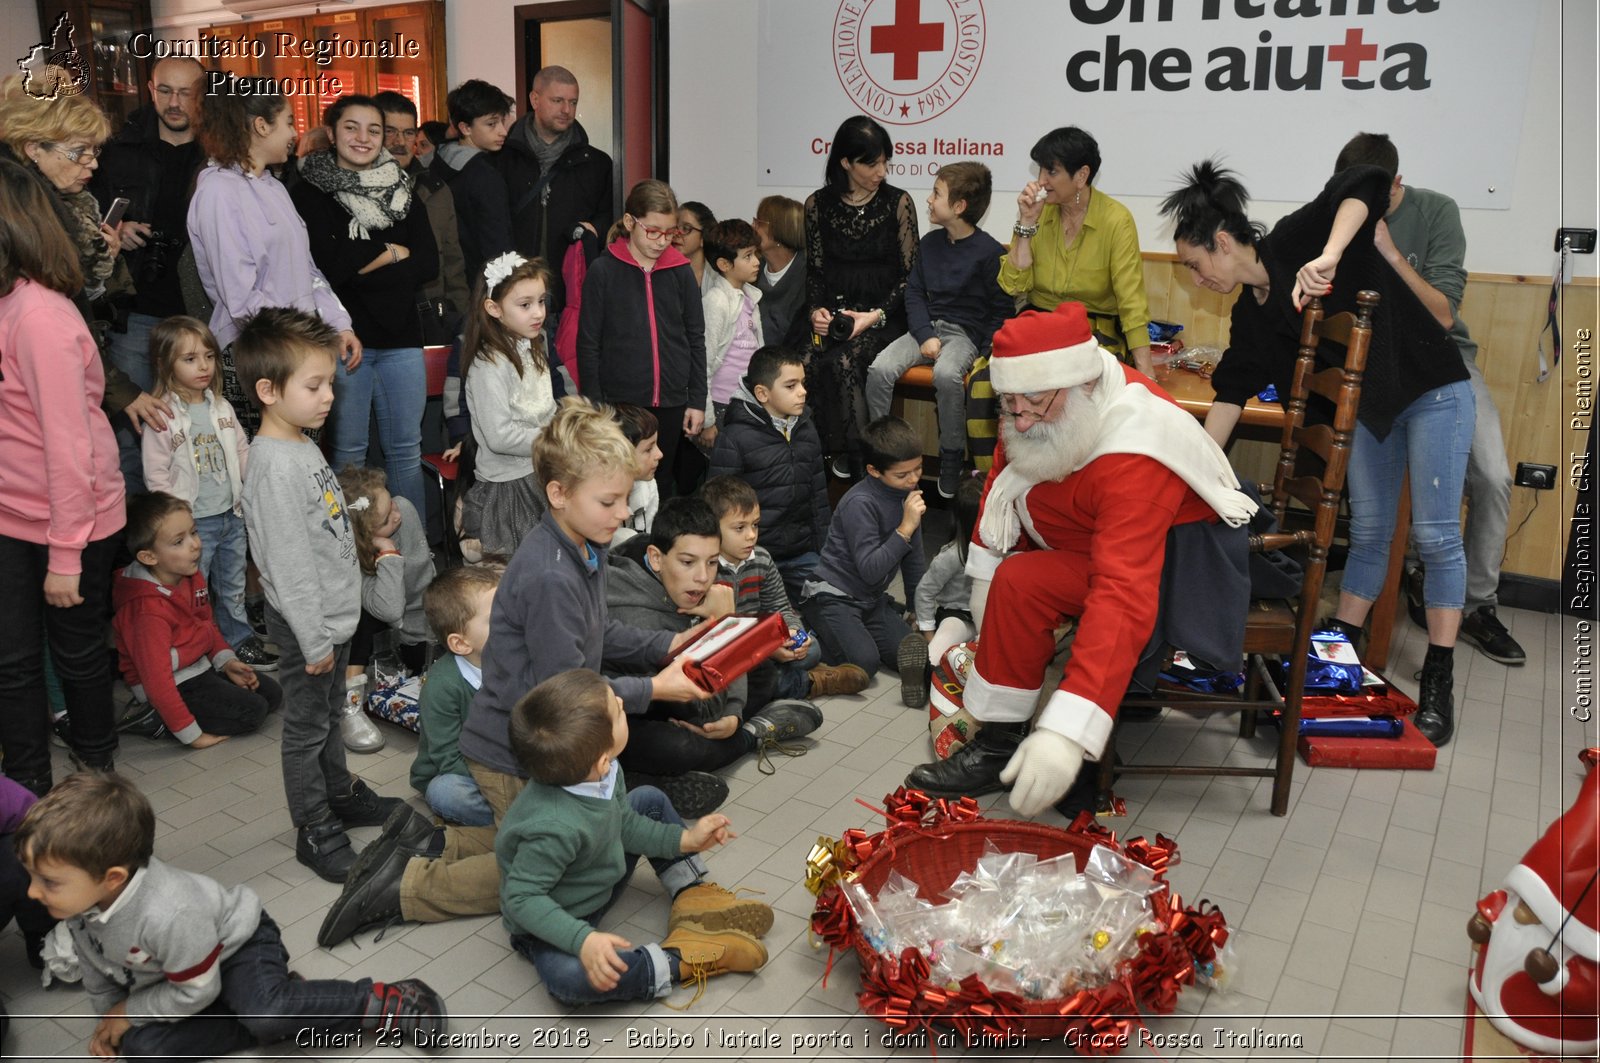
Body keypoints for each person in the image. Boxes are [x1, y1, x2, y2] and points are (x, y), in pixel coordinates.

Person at [316, 400, 720, 949]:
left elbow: (599, 632)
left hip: (527, 734)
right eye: (609, 500)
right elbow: (566, 695)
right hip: (518, 747)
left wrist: (666, 643)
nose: (623, 513)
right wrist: (655, 687)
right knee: (534, 870)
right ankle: (404, 887)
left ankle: (431, 844)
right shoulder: (552, 576)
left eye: (626, 498)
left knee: (527, 836)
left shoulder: (584, 548)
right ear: (558, 493)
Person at [1161, 161, 1472, 745]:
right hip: (1368, 414)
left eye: (1195, 265)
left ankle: (1439, 672)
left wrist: (1330, 255)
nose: (1195, 279)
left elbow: (1369, 177)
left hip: (1432, 388)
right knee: (1372, 531)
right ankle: (1342, 652)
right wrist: (1188, 467)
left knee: (1435, 537)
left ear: (1223, 243)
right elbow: (1231, 390)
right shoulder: (1251, 313)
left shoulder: (1297, 241)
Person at [904, 302, 1258, 815]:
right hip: (1086, 539)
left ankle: (1083, 753)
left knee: (1032, 587)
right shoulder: (1043, 398)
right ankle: (999, 743)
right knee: (1013, 581)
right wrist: (983, 570)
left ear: (1081, 387)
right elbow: (1003, 478)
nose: (1019, 419)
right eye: (1010, 405)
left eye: (1033, 406)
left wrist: (1067, 734)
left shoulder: (1135, 450)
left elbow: (1123, 592)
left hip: (1176, 561)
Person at [15, 772, 446, 1060]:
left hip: (236, 949)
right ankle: (283, 1008)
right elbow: (98, 971)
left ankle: (388, 1000)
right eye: (32, 877)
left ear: (111, 878)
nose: (33, 893)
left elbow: (196, 991)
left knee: (265, 1012)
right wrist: (112, 1016)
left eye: (48, 882)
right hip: (178, 974)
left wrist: (130, 1007)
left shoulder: (170, 910)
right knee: (142, 1047)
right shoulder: (78, 905)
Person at [1334, 132, 1525, 667]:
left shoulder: (1437, 211)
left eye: (1374, 193)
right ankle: (1383, 603)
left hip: (1444, 365)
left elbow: (1444, 314)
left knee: (1492, 477)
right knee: (1374, 521)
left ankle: (1478, 607)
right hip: (1378, 369)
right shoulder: (1340, 213)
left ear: (1395, 183)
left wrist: (1389, 251)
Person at [234, 308, 401, 881]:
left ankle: (338, 793)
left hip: (329, 620)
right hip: (308, 625)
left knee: (329, 713)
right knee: (306, 730)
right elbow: (286, 566)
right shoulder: (274, 467)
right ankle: (313, 825)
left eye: (330, 381)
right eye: (314, 385)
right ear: (268, 391)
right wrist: (312, 638)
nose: (329, 395)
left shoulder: (300, 445)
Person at [498, 669, 772, 1006]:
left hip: (598, 873)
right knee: (571, 980)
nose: (623, 701)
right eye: (617, 710)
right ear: (600, 760)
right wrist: (583, 940)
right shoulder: (552, 828)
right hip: (555, 918)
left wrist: (684, 841)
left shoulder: (605, 771)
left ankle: (694, 897)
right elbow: (522, 899)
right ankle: (684, 959)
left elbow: (624, 825)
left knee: (649, 800)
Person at [0, 160, 126, 795]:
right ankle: (28, 798)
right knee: (13, 665)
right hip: (12, 514)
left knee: (77, 657)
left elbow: (68, 447)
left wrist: (66, 554)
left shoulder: (40, 318)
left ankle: (99, 787)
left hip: (69, 520)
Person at [0, 74, 169, 460]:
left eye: (95, 150)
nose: (93, 163)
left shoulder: (65, 206)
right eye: (80, 151)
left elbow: (75, 303)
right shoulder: (21, 221)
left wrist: (100, 263)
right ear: (33, 149)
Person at [291, 94, 437, 524]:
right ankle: (349, 552)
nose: (364, 138)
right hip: (342, 340)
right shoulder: (309, 192)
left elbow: (427, 262)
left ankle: (414, 554)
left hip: (402, 339)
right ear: (332, 133)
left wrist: (363, 259)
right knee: (350, 455)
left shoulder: (403, 190)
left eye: (374, 130)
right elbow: (327, 267)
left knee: (405, 452)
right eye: (351, 127)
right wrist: (394, 253)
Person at [187, 86, 362, 437]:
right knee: (268, 474)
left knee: (304, 468)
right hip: (258, 355)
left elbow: (307, 272)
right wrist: (301, 338)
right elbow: (241, 299)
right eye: (288, 121)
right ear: (261, 126)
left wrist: (338, 322)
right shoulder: (218, 192)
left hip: (300, 351)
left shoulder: (274, 187)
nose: (295, 133)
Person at [607, 496, 823, 776]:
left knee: (763, 670)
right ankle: (751, 736)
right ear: (656, 558)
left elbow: (717, 686)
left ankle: (747, 720)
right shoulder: (635, 613)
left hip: (685, 689)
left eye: (711, 562)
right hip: (635, 706)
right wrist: (723, 622)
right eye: (688, 562)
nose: (703, 577)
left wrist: (733, 710)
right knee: (678, 748)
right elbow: (703, 708)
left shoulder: (677, 575)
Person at [91, 55, 207, 495]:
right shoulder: (117, 148)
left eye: (186, 92)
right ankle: (136, 543)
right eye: (165, 91)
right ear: (150, 87)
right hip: (134, 309)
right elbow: (86, 220)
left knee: (199, 429)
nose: (175, 103)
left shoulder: (217, 150)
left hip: (200, 310)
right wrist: (117, 228)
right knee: (131, 432)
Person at [866, 161, 1012, 498]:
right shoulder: (930, 244)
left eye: (937, 193)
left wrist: (985, 351)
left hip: (963, 335)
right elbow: (914, 292)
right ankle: (880, 448)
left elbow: (1000, 311)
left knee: (946, 375)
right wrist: (924, 334)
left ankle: (949, 457)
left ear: (959, 206)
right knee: (879, 369)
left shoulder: (990, 252)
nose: (929, 200)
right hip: (925, 329)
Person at [140, 315, 277, 669]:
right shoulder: (163, 415)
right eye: (190, 359)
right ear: (165, 364)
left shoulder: (221, 407)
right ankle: (192, 647)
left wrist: (254, 488)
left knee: (232, 586)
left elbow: (243, 450)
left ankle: (237, 641)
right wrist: (171, 521)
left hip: (230, 516)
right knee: (191, 590)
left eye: (209, 356)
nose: (203, 366)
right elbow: (156, 473)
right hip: (192, 525)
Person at [112, 492, 282, 747]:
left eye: (194, 532)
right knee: (253, 713)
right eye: (179, 541)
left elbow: (206, 625)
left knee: (272, 694)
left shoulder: (190, 575)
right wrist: (192, 736)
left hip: (197, 666)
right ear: (148, 557)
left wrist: (227, 662)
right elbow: (157, 682)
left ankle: (183, 709)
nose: (195, 545)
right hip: (167, 683)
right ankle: (156, 719)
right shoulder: (146, 611)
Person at [803, 116, 919, 476]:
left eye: (885, 160)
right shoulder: (817, 205)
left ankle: (862, 467)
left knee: (844, 363)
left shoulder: (898, 203)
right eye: (872, 162)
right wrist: (816, 312)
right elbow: (815, 273)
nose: (881, 170)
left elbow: (910, 279)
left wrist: (872, 317)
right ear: (845, 163)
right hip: (836, 314)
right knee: (802, 361)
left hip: (885, 317)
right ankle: (810, 467)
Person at [576, 180, 708, 496]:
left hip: (673, 401)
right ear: (629, 222)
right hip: (620, 404)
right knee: (618, 485)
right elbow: (588, 343)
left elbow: (695, 337)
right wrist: (595, 406)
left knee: (660, 485)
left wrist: (697, 400)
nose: (662, 241)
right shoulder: (603, 271)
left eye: (670, 232)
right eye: (653, 231)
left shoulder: (681, 270)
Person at [700, 475, 868, 705]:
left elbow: (781, 608)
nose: (751, 535)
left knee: (810, 650)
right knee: (748, 679)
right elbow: (709, 637)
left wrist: (790, 632)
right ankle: (812, 682)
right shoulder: (703, 569)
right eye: (739, 527)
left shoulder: (761, 559)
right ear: (712, 529)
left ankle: (795, 673)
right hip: (726, 652)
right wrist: (765, 650)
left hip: (760, 643)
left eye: (755, 525)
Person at [1001, 126, 1153, 376]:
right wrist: (1026, 223)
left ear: (1081, 176)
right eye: (1040, 170)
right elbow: (1013, 285)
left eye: (1051, 171)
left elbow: (1131, 302)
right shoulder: (1038, 212)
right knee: (991, 375)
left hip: (1094, 326)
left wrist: (1147, 373)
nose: (1041, 181)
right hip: (1041, 319)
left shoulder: (1116, 220)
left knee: (1072, 377)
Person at [800, 416, 927, 677]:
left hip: (871, 599)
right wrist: (905, 528)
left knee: (910, 655)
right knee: (864, 663)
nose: (913, 479)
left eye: (918, 469)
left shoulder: (907, 495)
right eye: (902, 474)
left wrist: (917, 610)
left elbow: (914, 561)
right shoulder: (860, 502)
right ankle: (813, 626)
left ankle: (858, 630)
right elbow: (870, 570)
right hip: (833, 596)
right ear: (873, 470)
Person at [708, 346, 831, 602]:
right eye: (791, 385)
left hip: (801, 553)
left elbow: (818, 497)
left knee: (832, 601)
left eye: (803, 383)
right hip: (752, 557)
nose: (803, 392)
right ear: (762, 393)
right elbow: (716, 508)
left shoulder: (806, 429)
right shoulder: (734, 438)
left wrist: (825, 553)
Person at [460, 253, 559, 558]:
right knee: (518, 574)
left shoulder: (534, 348)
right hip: (510, 489)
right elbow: (500, 437)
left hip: (542, 472)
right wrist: (556, 438)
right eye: (525, 304)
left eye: (541, 301)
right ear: (493, 308)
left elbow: (547, 408)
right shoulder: (488, 366)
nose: (538, 312)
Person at [500, 65, 614, 316]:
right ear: (535, 99)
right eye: (557, 100)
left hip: (572, 294)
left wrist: (593, 229)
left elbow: (609, 221)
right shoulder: (501, 159)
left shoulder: (596, 163)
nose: (567, 110)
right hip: (511, 291)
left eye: (573, 102)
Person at [337, 466, 436, 754]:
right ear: (362, 537)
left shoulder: (404, 509)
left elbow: (421, 584)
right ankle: (350, 704)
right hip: (380, 624)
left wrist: (424, 641)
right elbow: (391, 610)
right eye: (384, 520)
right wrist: (389, 553)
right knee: (361, 618)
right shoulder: (351, 557)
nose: (396, 514)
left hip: (417, 625)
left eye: (390, 501)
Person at [410, 565, 504, 827]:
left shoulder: (517, 661)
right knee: (447, 793)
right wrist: (505, 783)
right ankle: (520, 818)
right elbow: (449, 759)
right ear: (461, 643)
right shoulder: (442, 687)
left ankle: (519, 816)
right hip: (460, 773)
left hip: (508, 767)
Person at [374, 90, 470, 340]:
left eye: (407, 133)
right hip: (373, 323)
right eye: (390, 132)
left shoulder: (436, 189)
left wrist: (462, 318)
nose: (399, 141)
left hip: (430, 321)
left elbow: (453, 262)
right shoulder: (354, 191)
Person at [897, 473, 983, 709]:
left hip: (991, 617)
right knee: (938, 652)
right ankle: (920, 677)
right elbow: (925, 591)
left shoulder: (1006, 549)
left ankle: (969, 672)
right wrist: (929, 633)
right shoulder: (952, 555)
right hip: (958, 616)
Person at [434, 79, 515, 283]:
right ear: (465, 128)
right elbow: (496, 245)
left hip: (446, 283)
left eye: (502, 122)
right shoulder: (484, 175)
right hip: (481, 286)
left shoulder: (437, 162)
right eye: (491, 124)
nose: (503, 131)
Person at [700, 218, 765, 442]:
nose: (757, 262)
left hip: (747, 401)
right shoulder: (716, 302)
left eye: (755, 254)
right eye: (748, 256)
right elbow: (703, 364)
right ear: (724, 264)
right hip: (721, 404)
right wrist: (708, 420)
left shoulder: (751, 297)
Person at [753, 195, 807, 346]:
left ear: (780, 230)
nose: (753, 227)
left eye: (759, 223)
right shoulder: (750, 269)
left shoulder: (808, 274)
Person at [611, 404, 662, 545]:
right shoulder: (598, 495)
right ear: (621, 455)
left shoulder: (648, 484)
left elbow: (648, 534)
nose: (659, 454)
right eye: (649, 449)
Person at [674, 200, 715, 289]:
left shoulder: (718, 278)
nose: (676, 233)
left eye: (686, 228)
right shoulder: (663, 273)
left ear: (703, 237)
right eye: (674, 227)